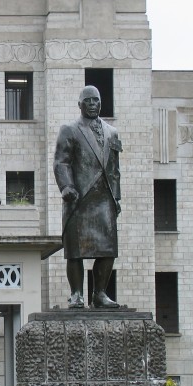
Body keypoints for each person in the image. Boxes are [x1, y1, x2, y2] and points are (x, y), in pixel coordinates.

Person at [53, 84, 122, 309]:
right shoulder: (70, 129)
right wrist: (66, 187)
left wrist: (116, 198)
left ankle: (99, 293)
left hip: (104, 199)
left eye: (96, 100)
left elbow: (114, 170)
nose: (92, 104)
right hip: (79, 198)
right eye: (88, 101)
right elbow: (61, 161)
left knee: (107, 248)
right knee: (76, 250)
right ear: (80, 104)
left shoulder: (112, 132)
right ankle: (76, 294)